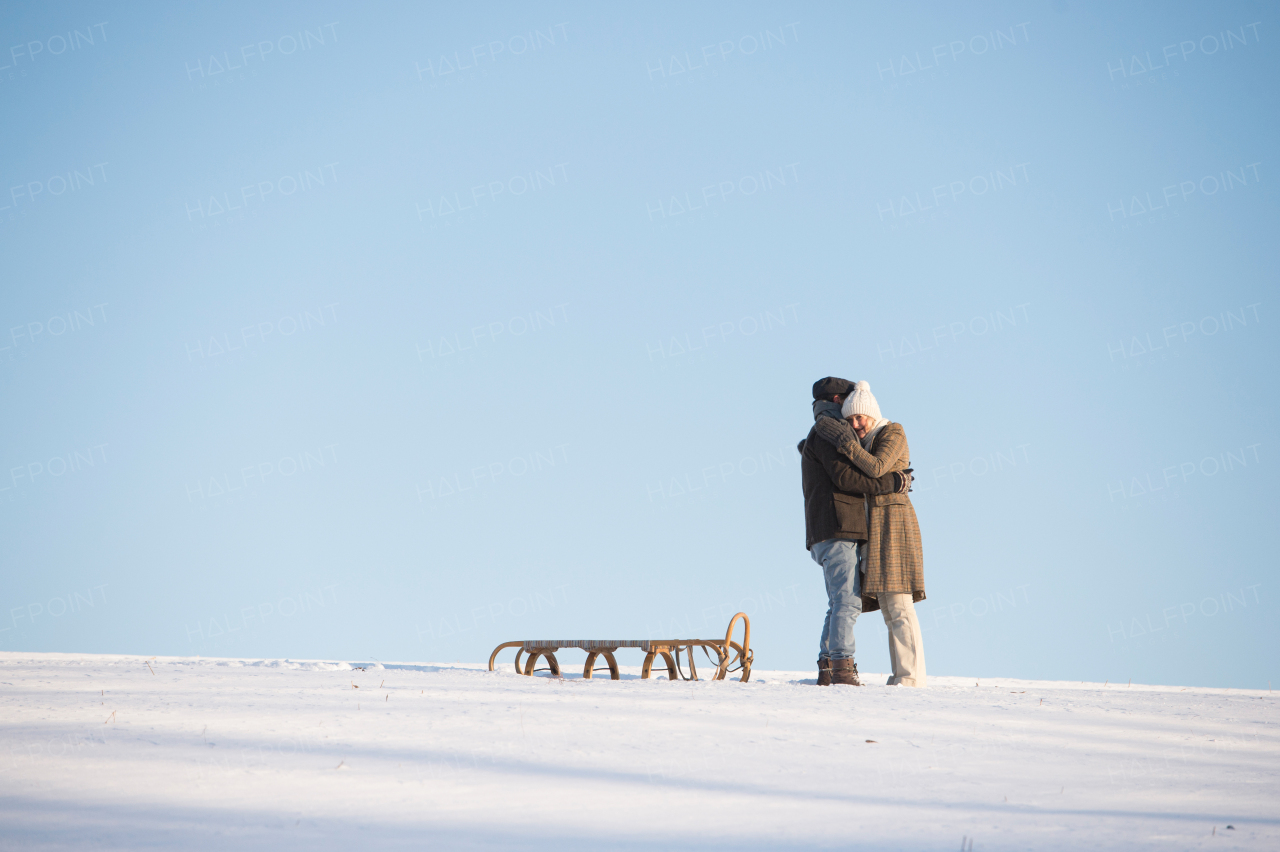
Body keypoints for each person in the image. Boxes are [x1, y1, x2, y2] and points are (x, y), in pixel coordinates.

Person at [813, 381, 927, 687]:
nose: (855, 424)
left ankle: (911, 677)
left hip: (896, 524)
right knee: (889, 607)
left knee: (900, 604)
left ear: (871, 413)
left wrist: (846, 443)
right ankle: (900, 676)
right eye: (850, 420)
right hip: (877, 529)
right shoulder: (865, 440)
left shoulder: (892, 432)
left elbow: (875, 469)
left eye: (859, 417)